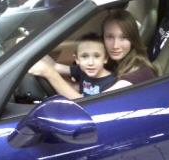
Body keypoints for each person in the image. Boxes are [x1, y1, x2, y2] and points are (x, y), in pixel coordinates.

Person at [29, 9, 157, 98]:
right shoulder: (112, 61)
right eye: (109, 37)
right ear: (103, 38)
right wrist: (31, 52)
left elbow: (88, 105)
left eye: (123, 38)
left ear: (133, 39)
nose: (116, 46)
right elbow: (58, 67)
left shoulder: (137, 75)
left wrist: (49, 74)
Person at [29, 32, 115, 99]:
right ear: (77, 59)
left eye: (96, 56)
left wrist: (49, 73)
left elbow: (84, 103)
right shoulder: (82, 70)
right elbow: (55, 66)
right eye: (84, 56)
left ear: (105, 59)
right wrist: (32, 47)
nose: (90, 63)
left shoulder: (111, 82)